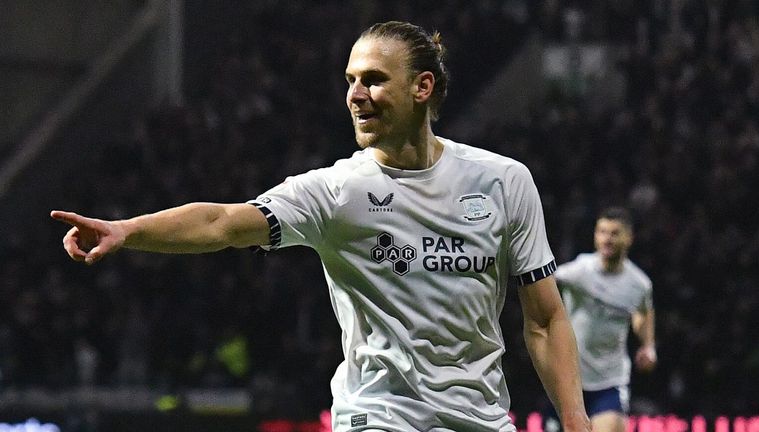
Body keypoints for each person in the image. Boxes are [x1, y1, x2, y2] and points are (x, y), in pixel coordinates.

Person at [52, 21, 590, 432]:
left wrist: (576, 422)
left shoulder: (503, 181)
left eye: (375, 81)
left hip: (482, 420)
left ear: (423, 87)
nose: (356, 95)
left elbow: (543, 320)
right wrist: (128, 230)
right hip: (381, 417)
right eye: (351, 80)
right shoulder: (338, 193)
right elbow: (222, 222)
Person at [545, 207, 656, 432]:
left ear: (629, 238)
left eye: (614, 233)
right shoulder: (580, 271)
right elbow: (542, 282)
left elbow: (644, 312)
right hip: (570, 381)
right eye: (602, 232)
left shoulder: (639, 284)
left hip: (610, 381)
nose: (607, 239)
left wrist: (648, 345)